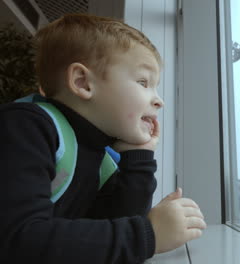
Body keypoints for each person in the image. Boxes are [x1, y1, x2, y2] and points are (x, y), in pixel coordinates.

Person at [0, 14, 206, 264]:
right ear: (82, 82)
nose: (158, 100)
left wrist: (138, 156)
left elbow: (110, 228)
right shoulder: (27, 126)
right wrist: (148, 234)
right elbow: (18, 240)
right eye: (144, 82)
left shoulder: (103, 157)